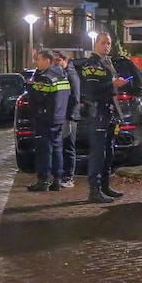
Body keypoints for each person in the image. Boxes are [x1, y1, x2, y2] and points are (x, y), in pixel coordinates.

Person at [80, 32, 131, 203]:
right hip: (98, 112)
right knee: (98, 152)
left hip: (109, 111)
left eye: (109, 43)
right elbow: (92, 90)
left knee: (108, 150)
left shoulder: (106, 63)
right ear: (96, 44)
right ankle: (94, 190)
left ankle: (104, 186)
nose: (106, 46)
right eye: (103, 43)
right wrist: (112, 84)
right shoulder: (92, 64)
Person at [26, 50, 70, 192]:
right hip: (58, 117)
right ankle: (57, 179)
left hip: (44, 119)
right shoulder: (62, 75)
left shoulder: (44, 78)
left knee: (44, 150)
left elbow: (38, 98)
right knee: (57, 149)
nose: (36, 62)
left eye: (38, 59)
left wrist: (30, 87)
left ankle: (42, 180)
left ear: (47, 61)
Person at [54, 51, 80, 188]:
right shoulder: (61, 73)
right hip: (61, 115)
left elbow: (75, 97)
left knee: (68, 146)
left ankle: (69, 176)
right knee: (61, 146)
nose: (55, 63)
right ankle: (62, 174)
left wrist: (70, 117)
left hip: (68, 117)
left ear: (64, 60)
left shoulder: (71, 75)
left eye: (57, 60)